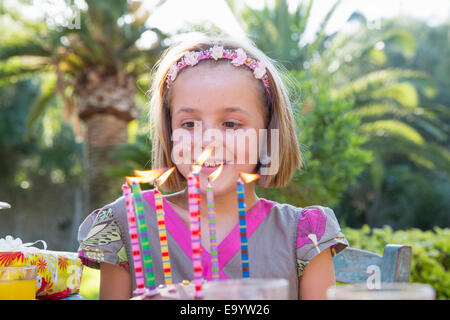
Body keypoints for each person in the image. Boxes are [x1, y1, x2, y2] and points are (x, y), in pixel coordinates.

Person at [78, 35, 348, 300]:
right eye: (188, 124)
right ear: (168, 132)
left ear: (268, 137)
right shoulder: (129, 224)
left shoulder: (303, 235)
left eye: (231, 124)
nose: (207, 140)